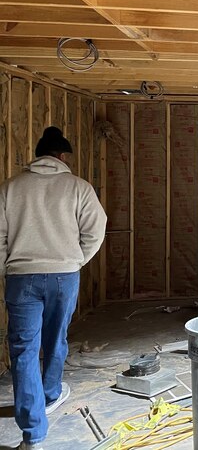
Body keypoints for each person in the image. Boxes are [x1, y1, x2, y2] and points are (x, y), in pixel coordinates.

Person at [0, 126, 107, 450]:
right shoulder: (78, 188)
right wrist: (76, 260)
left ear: (38, 155)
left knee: (23, 349)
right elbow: (96, 229)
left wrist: (7, 268)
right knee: (56, 338)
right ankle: (50, 395)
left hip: (21, 277)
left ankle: (33, 435)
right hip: (64, 275)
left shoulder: (11, 188)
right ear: (62, 156)